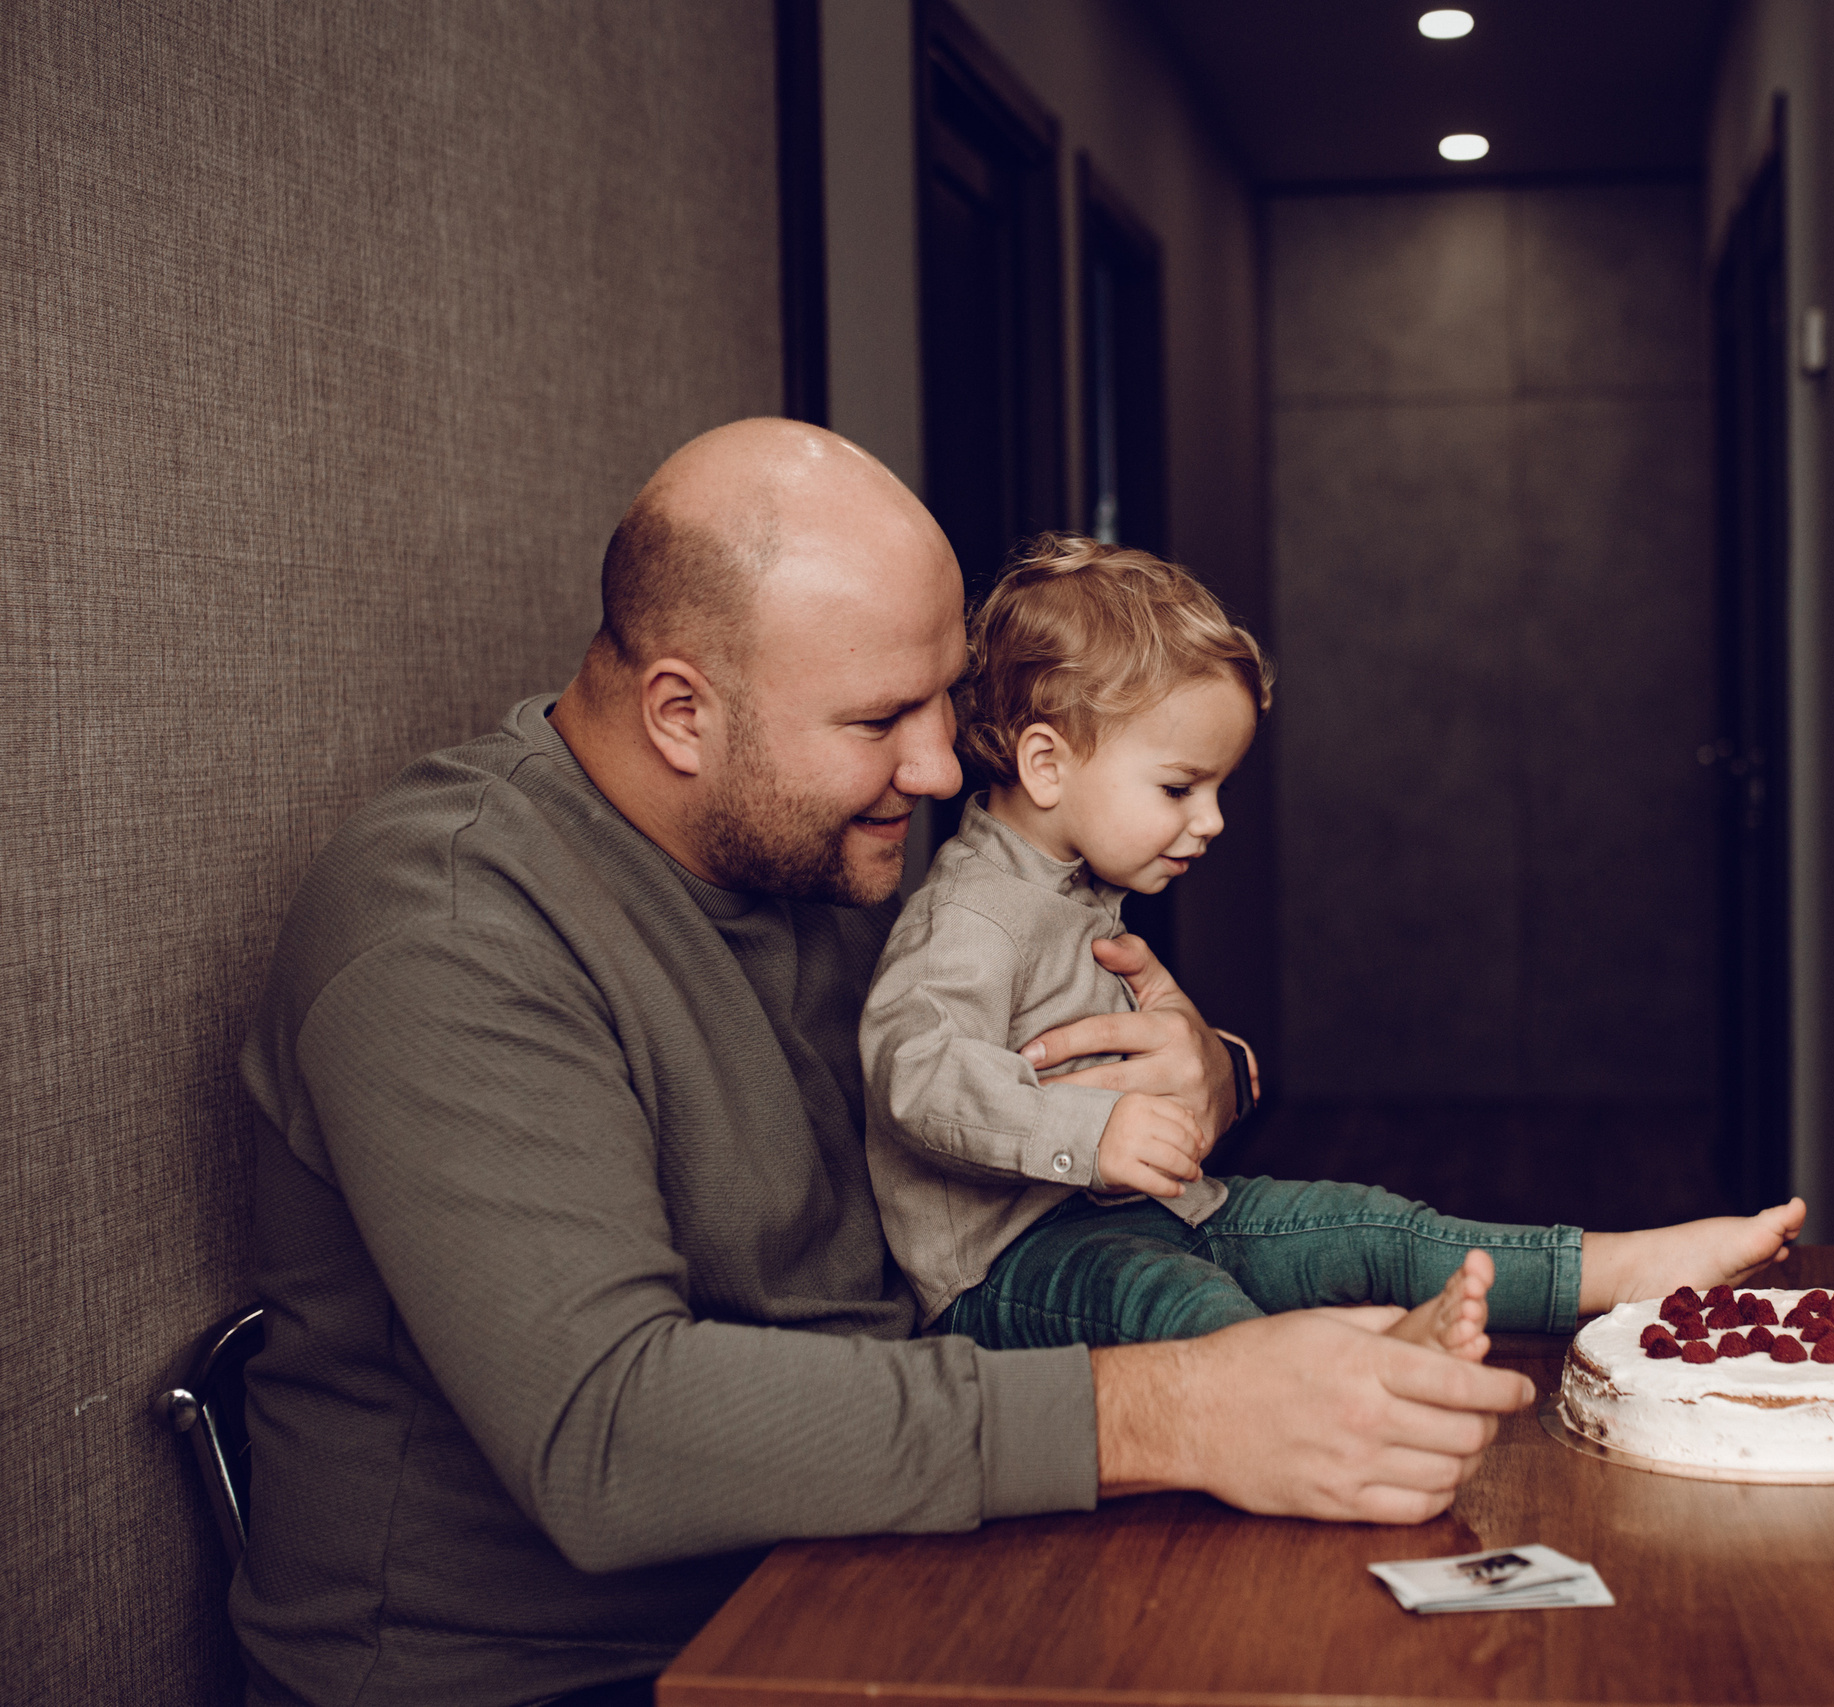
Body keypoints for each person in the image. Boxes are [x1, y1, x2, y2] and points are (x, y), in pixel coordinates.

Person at [235, 420, 1546, 1707]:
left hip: (847, 1547)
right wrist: (1182, 1409)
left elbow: (970, 1133)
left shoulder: (798, 845)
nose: (937, 766)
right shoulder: (454, 928)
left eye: (943, 698)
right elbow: (611, 1431)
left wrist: (1217, 1070)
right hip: (574, 1662)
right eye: (880, 718)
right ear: (682, 712)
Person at [862, 534, 1806, 1357]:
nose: (1213, 820)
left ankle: (1620, 1269)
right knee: (1179, 1305)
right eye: (1181, 787)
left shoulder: (1078, 887)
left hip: (1141, 1213)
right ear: (1045, 763)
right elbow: (914, 1068)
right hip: (1009, 1269)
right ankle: (1330, 1374)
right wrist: (1092, 1132)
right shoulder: (973, 912)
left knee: (1370, 1229)